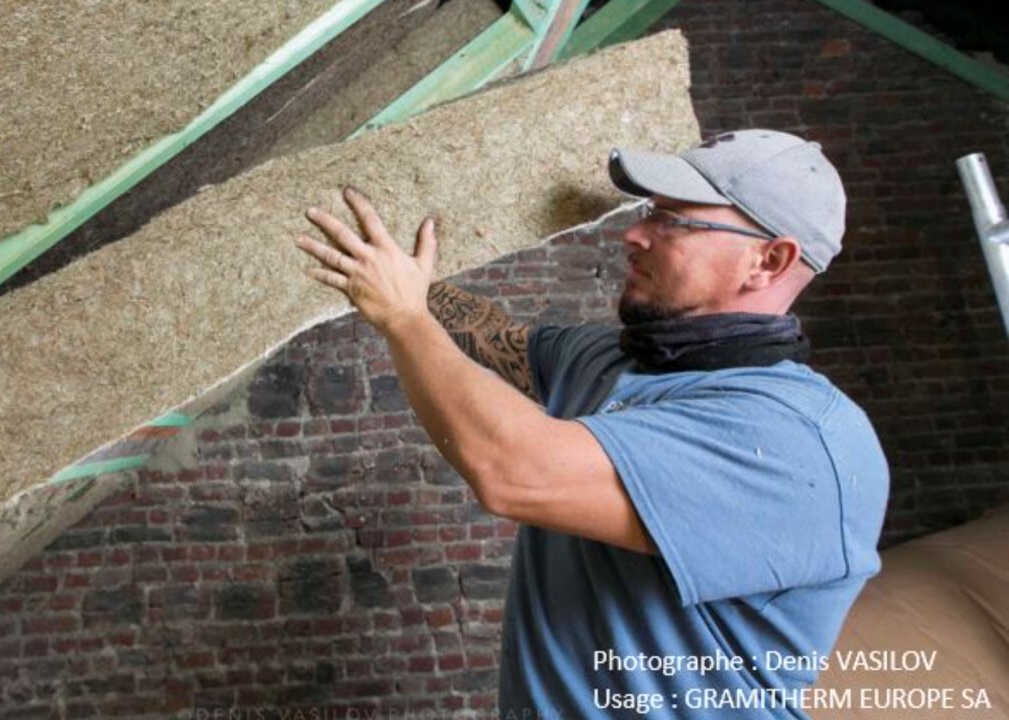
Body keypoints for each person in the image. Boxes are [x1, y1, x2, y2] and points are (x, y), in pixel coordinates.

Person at [294, 129, 889, 719]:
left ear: (769, 260)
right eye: (651, 212)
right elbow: (504, 341)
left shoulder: (800, 444)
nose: (633, 233)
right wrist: (410, 284)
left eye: (675, 223)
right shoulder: (611, 360)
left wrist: (403, 316)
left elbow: (513, 471)